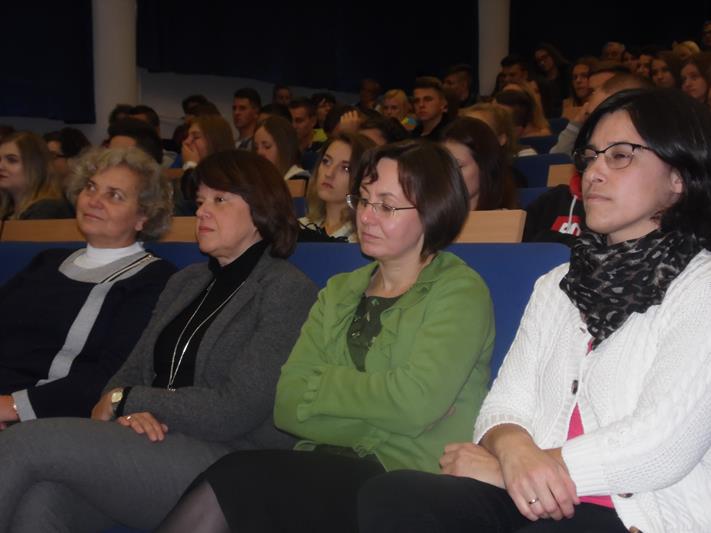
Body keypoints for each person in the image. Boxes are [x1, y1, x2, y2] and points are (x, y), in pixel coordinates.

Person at [358, 88, 711, 533]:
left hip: (642, 510)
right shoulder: (557, 284)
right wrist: (513, 453)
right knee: (397, 495)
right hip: (529, 494)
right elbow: (503, 406)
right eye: (590, 156)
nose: (593, 172)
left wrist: (512, 469)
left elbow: (658, 449)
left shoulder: (701, 287)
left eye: (620, 156)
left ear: (678, 176)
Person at [156, 139, 495, 533]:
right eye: (364, 200)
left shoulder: (459, 291)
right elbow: (287, 404)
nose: (366, 216)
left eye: (386, 206)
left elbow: (415, 404)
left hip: (404, 479)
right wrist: (387, 408)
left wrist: (324, 387)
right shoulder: (339, 290)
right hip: (322, 464)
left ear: (433, 211)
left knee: (235, 480)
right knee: (235, 483)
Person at [0, 150, 318, 532]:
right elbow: (127, 374)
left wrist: (130, 401)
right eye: (200, 201)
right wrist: (128, 408)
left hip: (228, 464)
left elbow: (234, 409)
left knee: (24, 442)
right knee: (42, 501)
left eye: (219, 200)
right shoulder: (187, 281)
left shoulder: (286, 290)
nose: (202, 212)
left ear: (261, 209)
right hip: (152, 444)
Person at [0, 147, 176, 424]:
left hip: (51, 417)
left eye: (114, 195)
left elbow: (113, 375)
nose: (94, 201)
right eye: (91, 188)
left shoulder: (153, 279)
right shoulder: (48, 261)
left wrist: (13, 407)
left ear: (143, 216)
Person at [298, 132, 374, 242]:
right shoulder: (298, 227)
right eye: (326, 161)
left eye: (345, 168)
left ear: (364, 178)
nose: (329, 174)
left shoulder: (365, 238)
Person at [441, 117, 518, 210]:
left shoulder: (505, 218)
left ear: (485, 167)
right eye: (444, 166)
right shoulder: (431, 216)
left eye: (458, 166)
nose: (447, 174)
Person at [0, 131, 74, 220]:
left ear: (35, 166)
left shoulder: (48, 208)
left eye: (12, 160)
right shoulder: (8, 212)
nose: (0, 166)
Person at [253, 115, 310, 181]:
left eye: (267, 147)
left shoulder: (299, 178)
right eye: (256, 148)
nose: (259, 152)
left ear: (284, 148)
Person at [561, 57, 597, 122]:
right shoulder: (567, 105)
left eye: (584, 76)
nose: (578, 80)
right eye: (575, 77)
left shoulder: (601, 105)